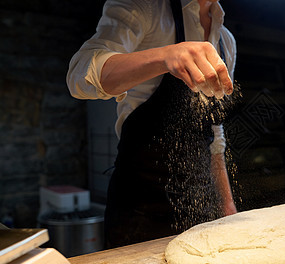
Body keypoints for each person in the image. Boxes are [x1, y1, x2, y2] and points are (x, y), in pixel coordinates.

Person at [67, 0, 238, 248]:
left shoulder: (226, 41)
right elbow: (78, 76)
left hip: (198, 205)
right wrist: (165, 56)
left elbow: (215, 130)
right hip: (140, 206)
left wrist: (227, 204)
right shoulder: (146, 7)